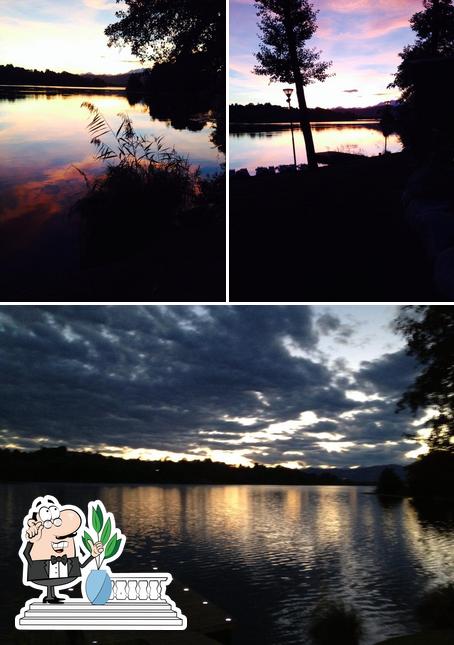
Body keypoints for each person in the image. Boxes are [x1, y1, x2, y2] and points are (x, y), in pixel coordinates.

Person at [21, 496, 103, 603]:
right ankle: (50, 596)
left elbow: (81, 565)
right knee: (48, 581)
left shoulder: (69, 561)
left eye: (68, 536)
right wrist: (33, 564)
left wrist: (93, 555)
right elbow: (25, 553)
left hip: (62, 570)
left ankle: (52, 596)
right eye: (59, 537)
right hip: (42, 570)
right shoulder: (37, 539)